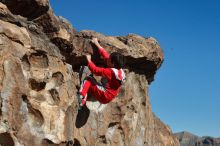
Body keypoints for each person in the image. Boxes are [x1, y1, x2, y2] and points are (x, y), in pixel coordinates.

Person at [77, 38, 126, 108]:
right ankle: (90, 94)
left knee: (88, 79)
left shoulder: (110, 72)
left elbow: (95, 70)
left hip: (104, 95)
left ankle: (81, 99)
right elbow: (106, 56)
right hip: (109, 96)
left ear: (113, 63)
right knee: (100, 80)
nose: (107, 58)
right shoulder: (119, 70)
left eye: (109, 59)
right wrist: (96, 43)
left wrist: (89, 60)